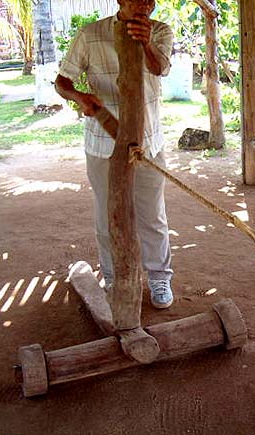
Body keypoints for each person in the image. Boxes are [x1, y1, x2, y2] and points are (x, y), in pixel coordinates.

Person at [55, 0, 175, 309]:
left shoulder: (160, 31)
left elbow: (159, 68)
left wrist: (146, 43)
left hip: (146, 144)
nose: (147, 3)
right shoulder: (90, 35)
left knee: (151, 215)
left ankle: (159, 277)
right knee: (108, 216)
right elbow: (62, 81)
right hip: (102, 143)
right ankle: (112, 278)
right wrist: (80, 96)